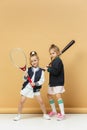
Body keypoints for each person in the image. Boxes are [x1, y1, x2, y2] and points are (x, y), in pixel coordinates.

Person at [13, 51, 50, 121]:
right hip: (27, 87)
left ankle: (45, 114)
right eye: (32, 61)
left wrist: (35, 84)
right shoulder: (28, 70)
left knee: (41, 102)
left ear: (38, 60)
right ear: (30, 62)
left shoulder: (41, 71)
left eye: (35, 60)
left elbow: (42, 81)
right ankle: (18, 115)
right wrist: (25, 76)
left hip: (35, 89)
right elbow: (24, 79)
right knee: (21, 101)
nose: (34, 62)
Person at [44, 44, 65, 121]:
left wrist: (48, 69)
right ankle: (54, 111)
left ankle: (62, 114)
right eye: (50, 53)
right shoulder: (54, 61)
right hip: (52, 82)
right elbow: (53, 69)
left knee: (58, 96)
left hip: (58, 82)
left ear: (58, 53)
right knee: (49, 95)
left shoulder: (58, 61)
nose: (52, 55)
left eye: (53, 53)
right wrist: (49, 67)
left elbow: (56, 72)